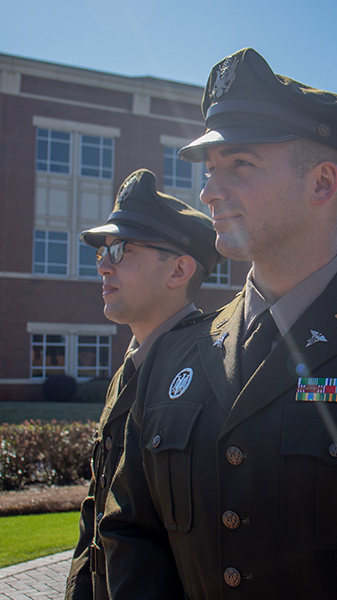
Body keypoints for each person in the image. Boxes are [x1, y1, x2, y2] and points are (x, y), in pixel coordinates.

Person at [98, 48, 337, 599]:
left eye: (240, 165)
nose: (208, 191)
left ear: (322, 183)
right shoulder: (173, 355)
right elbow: (131, 532)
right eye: (211, 171)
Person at [65, 168, 223, 600]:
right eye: (101, 252)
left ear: (178, 270)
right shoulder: (130, 369)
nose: (102, 265)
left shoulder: (215, 375)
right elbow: (97, 515)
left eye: (120, 249)